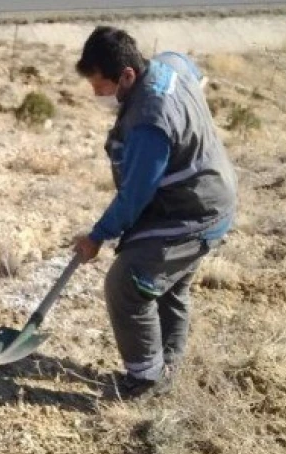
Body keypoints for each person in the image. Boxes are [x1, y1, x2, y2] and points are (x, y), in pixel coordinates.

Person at [71, 26, 237, 400]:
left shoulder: (149, 121)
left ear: (127, 75)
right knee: (170, 287)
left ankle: (144, 381)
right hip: (210, 193)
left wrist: (97, 236)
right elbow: (195, 72)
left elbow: (134, 197)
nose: (97, 95)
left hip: (192, 213)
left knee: (127, 282)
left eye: (102, 87)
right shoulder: (168, 64)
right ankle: (168, 372)